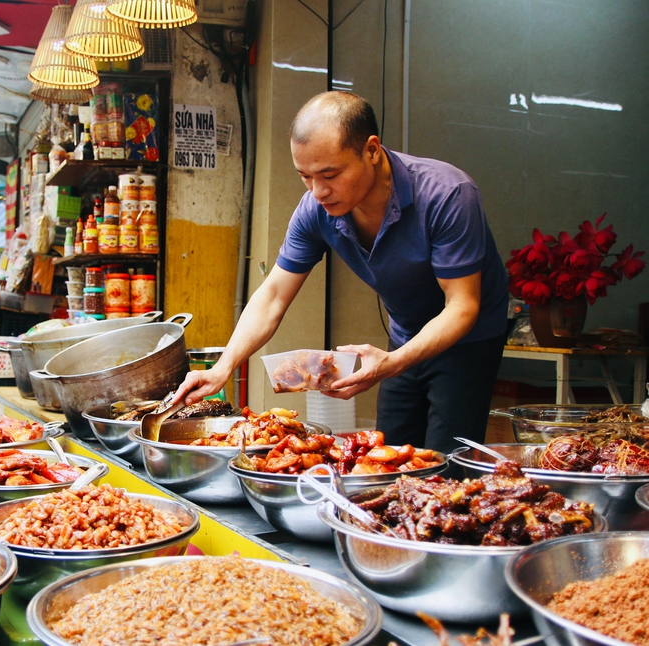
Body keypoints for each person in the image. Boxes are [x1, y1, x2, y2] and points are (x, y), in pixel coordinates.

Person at [175, 92, 509, 453]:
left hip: (468, 339)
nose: (318, 191)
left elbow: (462, 307)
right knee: (390, 453)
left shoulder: (447, 194)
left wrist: (392, 362)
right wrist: (223, 367)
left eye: (330, 174)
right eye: (305, 176)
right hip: (405, 332)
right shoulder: (315, 209)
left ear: (371, 150)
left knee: (446, 462)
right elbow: (272, 295)